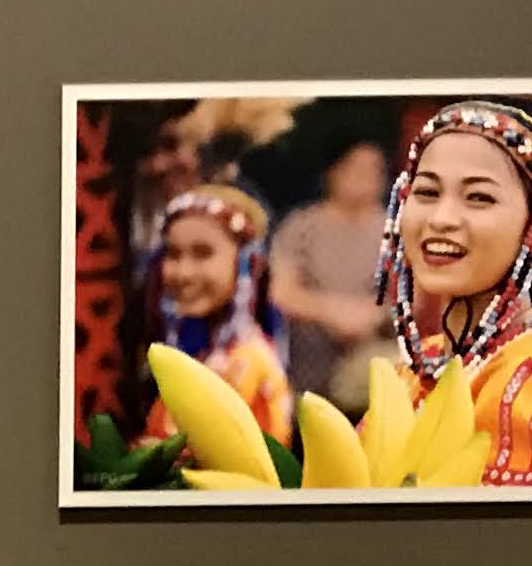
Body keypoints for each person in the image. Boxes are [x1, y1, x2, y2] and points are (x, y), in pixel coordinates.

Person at [376, 99, 532, 487]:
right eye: (427, 192)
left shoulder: (531, 377)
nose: (441, 219)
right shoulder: (429, 362)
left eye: (479, 197)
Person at [137, 183, 295, 450]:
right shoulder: (202, 353)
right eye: (173, 254)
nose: (183, 272)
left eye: (203, 253)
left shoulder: (243, 364)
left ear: (247, 264)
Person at [273, 138, 391, 416]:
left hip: (374, 363)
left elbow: (415, 294)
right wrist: (331, 311)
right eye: (356, 168)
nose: (366, 177)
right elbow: (281, 291)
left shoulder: (398, 229)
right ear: (332, 172)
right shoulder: (301, 226)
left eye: (375, 169)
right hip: (307, 369)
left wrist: (372, 315)